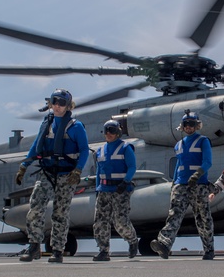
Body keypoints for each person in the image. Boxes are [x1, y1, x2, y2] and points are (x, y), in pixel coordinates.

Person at [14, 88, 89, 264]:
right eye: (54, 101)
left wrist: (77, 170)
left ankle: (57, 250)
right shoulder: (46, 123)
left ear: (68, 105)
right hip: (47, 172)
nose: (57, 105)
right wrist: (24, 166)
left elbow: (84, 150)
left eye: (61, 102)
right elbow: (35, 146)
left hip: (66, 175)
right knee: (35, 207)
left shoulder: (75, 126)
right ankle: (34, 246)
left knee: (60, 213)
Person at [150, 110, 215, 260]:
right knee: (174, 214)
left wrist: (197, 174)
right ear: (182, 126)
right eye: (186, 124)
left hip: (199, 185)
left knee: (203, 217)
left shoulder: (203, 140)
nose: (188, 127)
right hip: (181, 184)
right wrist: (174, 184)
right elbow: (179, 164)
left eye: (191, 124)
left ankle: (209, 249)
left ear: (197, 126)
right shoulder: (178, 145)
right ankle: (164, 244)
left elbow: (208, 162)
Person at [92, 119, 141, 261]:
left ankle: (132, 240)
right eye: (106, 130)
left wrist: (125, 182)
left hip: (120, 189)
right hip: (104, 189)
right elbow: (98, 172)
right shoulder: (100, 151)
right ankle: (103, 250)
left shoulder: (126, 148)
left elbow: (132, 167)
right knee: (100, 221)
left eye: (112, 130)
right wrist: (97, 189)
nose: (108, 133)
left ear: (118, 132)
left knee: (120, 221)